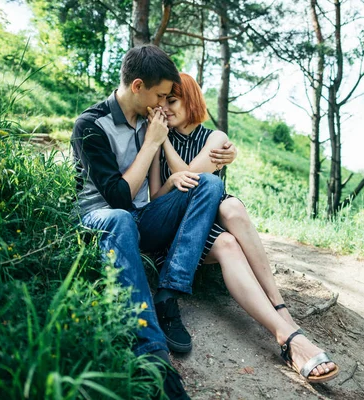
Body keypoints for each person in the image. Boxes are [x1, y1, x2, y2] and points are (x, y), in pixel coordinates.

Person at [147, 72, 339, 383]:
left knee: (231, 212)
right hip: (175, 230)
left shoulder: (215, 139)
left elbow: (194, 179)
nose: (166, 108)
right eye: (162, 101)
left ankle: (281, 315)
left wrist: (164, 145)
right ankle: (287, 333)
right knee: (227, 234)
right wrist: (164, 149)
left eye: (173, 100)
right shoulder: (157, 142)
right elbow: (158, 197)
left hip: (209, 221)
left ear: (190, 100)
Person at [71, 46, 234, 399]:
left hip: (142, 218)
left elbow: (198, 148)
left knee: (208, 184)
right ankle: (153, 356)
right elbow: (118, 199)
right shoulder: (90, 125)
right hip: (102, 219)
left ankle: (169, 292)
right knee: (120, 218)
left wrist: (224, 154)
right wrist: (151, 144)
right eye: (160, 95)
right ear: (138, 86)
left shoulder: (152, 120)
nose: (164, 103)